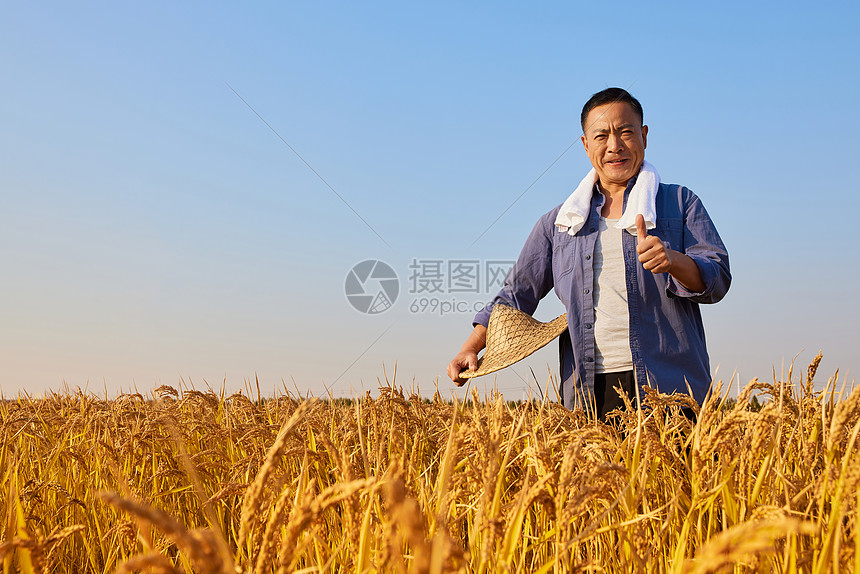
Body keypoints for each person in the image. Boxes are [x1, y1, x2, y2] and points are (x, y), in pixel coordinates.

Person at [447, 88, 730, 419]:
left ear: (644, 135)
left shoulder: (679, 204)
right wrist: (471, 347)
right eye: (602, 136)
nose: (614, 146)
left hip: (670, 388)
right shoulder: (560, 223)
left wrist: (673, 261)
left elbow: (718, 278)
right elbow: (515, 295)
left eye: (626, 132)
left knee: (674, 473)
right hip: (591, 391)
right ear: (586, 145)